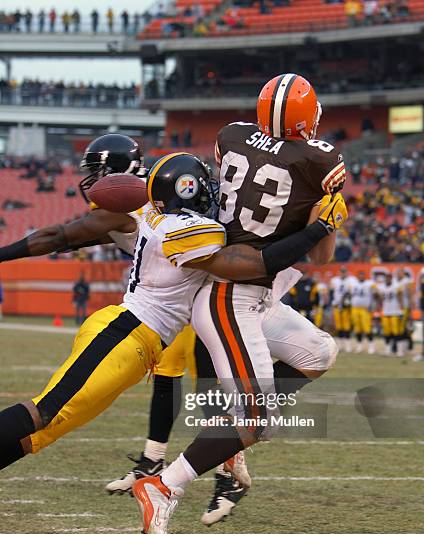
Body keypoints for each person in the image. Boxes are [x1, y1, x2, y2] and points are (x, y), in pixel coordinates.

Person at [0, 152, 347, 476]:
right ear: (189, 190)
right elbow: (257, 264)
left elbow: (62, 235)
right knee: (45, 411)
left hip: (139, 341)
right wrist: (318, 229)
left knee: (45, 431)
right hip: (126, 333)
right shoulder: (190, 231)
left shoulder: (151, 212)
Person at [132, 73, 347, 534]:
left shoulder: (230, 136)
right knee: (258, 418)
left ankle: (228, 433)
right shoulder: (321, 159)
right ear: (306, 118)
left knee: (318, 352)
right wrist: (327, 211)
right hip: (231, 297)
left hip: (254, 294)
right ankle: (164, 485)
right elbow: (320, 256)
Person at [350, 271, 378, 354]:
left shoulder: (369, 283)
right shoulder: (353, 283)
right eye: (359, 275)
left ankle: (371, 346)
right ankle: (359, 346)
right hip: (355, 308)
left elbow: (376, 292)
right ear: (357, 276)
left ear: (364, 276)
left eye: (362, 275)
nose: (361, 277)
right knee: (357, 328)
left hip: (365, 309)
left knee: (367, 328)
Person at [378, 272, 404, 357]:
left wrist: (401, 310)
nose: (388, 279)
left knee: (396, 332)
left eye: (389, 277)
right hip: (386, 312)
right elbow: (381, 298)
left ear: (391, 278)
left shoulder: (396, 286)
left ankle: (400, 351)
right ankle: (387, 350)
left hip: (395, 312)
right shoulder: (382, 287)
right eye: (387, 277)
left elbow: (400, 298)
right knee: (387, 332)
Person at [330, 266, 354, 352]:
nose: (343, 273)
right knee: (339, 326)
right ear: (339, 272)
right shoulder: (334, 280)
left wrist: (347, 301)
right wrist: (332, 301)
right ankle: (340, 345)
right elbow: (331, 292)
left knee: (346, 326)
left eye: (344, 271)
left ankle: (348, 345)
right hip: (336, 305)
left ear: (347, 272)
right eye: (341, 271)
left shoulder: (351, 280)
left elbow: (351, 293)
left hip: (346, 306)